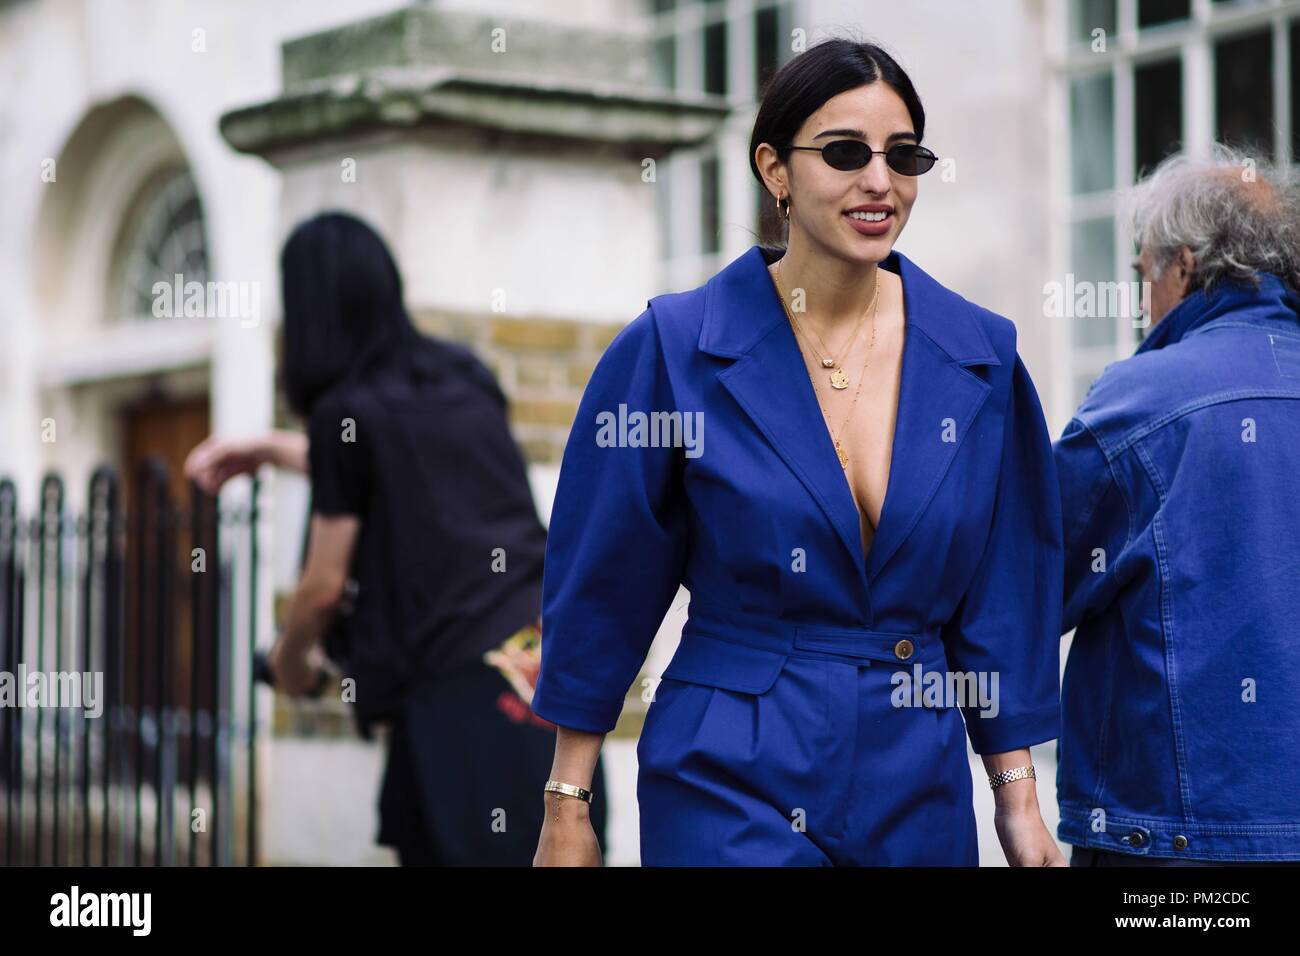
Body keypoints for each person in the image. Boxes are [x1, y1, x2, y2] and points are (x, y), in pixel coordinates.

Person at [532, 38, 1064, 866]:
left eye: (904, 155)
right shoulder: (677, 349)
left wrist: (1018, 799)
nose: (879, 182)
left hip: (915, 769)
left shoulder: (981, 358)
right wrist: (567, 802)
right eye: (846, 153)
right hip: (727, 770)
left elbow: (1003, 594)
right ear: (774, 168)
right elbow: (605, 578)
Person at [185, 211, 608, 866]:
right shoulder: (462, 375)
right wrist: (271, 449)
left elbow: (323, 587)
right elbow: (402, 460)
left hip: (454, 702)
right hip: (542, 672)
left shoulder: (343, 410)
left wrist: (292, 658)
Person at [1054, 146, 1300, 866]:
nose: (1142, 303)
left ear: (1184, 266)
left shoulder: (1142, 399)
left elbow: (1029, 583)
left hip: (1167, 841)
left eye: (1142, 277)